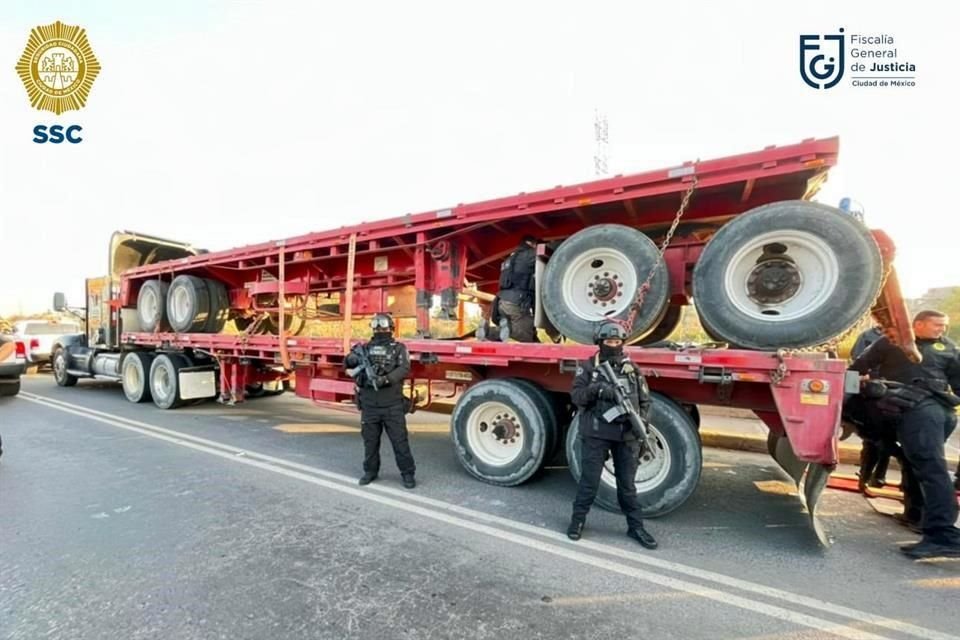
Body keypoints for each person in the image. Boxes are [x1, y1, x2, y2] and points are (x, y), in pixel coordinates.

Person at [850, 310, 960, 559]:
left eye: (944, 326)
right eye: (936, 325)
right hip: (910, 412)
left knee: (931, 468)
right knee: (914, 463)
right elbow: (857, 368)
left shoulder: (949, 348)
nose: (941, 330)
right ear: (917, 324)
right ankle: (915, 515)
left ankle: (943, 534)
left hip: (929, 413)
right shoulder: (892, 341)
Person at [567, 321, 657, 549]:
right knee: (589, 482)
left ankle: (636, 527)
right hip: (596, 434)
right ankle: (577, 522)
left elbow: (646, 400)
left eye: (617, 342)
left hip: (626, 436)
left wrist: (641, 423)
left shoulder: (632, 369)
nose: (614, 346)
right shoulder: (589, 367)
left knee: (627, 486)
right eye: (609, 342)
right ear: (600, 342)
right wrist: (597, 390)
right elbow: (576, 397)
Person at [344, 313, 417, 489]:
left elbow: (404, 368)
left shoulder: (399, 348)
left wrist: (385, 379)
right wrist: (350, 360)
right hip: (369, 405)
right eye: (377, 328)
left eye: (383, 328)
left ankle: (407, 474)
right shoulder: (364, 348)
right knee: (370, 442)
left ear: (391, 329)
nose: (380, 331)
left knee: (400, 442)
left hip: (392, 405)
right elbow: (347, 365)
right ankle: (370, 472)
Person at [850, 324, 894, 489]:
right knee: (874, 439)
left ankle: (878, 477)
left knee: (886, 441)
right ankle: (865, 477)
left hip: (895, 393)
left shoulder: (906, 340)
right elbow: (857, 363)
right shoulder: (868, 336)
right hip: (873, 391)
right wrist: (851, 393)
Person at [497, 235, 538, 343]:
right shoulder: (528, 255)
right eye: (535, 245)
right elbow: (549, 253)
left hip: (502, 302)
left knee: (529, 330)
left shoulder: (508, 260)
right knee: (526, 336)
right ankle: (500, 331)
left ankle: (493, 331)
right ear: (530, 244)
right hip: (516, 303)